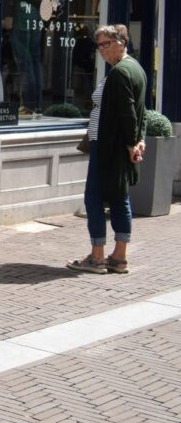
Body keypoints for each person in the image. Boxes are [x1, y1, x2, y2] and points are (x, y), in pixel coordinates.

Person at [67, 24, 145, 275]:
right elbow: (141, 112)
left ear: (122, 41)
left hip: (109, 146)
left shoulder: (121, 72)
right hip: (116, 145)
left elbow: (129, 113)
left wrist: (133, 142)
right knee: (119, 197)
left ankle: (97, 256)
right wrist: (137, 141)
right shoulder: (135, 69)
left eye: (107, 43)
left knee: (94, 198)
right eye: (99, 45)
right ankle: (119, 257)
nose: (101, 49)